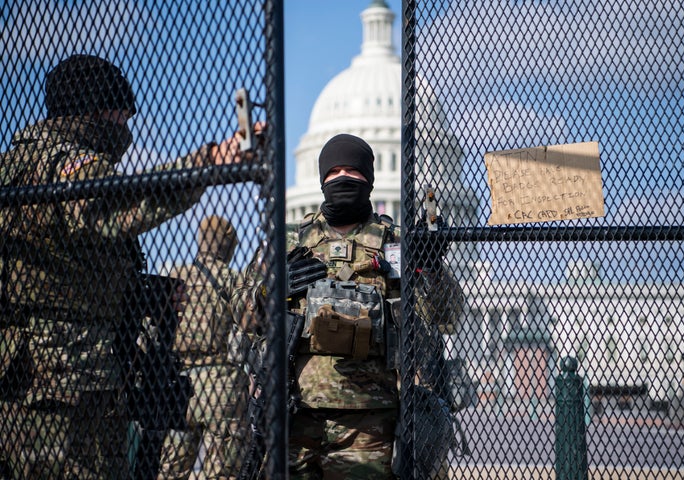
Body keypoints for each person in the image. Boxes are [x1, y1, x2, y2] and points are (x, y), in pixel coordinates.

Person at [0, 54, 257, 479]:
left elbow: (55, 266)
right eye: (121, 116)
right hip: (67, 381)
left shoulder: (13, 166)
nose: (126, 130)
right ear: (95, 109)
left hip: (32, 374)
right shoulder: (66, 165)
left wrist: (136, 291)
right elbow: (116, 203)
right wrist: (212, 160)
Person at [235, 133, 464, 479]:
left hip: (370, 418)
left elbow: (445, 316)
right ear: (322, 178)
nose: (343, 178)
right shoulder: (288, 244)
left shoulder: (396, 244)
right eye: (335, 171)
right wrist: (272, 290)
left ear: (369, 180)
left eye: (354, 171)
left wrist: (430, 267)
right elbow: (243, 318)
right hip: (294, 410)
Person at [157, 215, 249, 479]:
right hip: (221, 385)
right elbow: (249, 322)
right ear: (229, 246)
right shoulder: (232, 278)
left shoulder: (174, 276)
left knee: (169, 471)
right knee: (223, 472)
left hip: (177, 384)